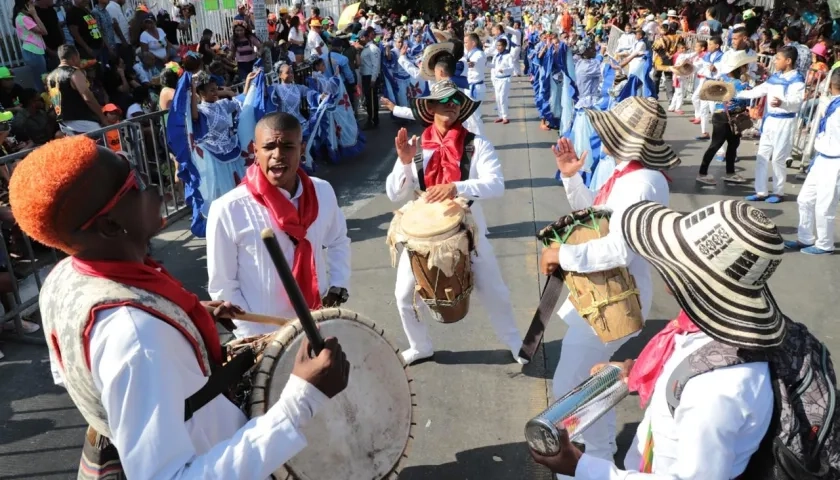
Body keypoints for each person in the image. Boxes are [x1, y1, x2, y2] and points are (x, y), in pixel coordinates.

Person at [9, 134, 350, 478]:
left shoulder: (63, 278)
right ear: (111, 225)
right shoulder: (138, 338)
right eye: (135, 184)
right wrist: (302, 399)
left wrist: (184, 315)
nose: (154, 191)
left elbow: (76, 369)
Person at [532, 199, 782, 478]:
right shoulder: (707, 332)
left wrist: (581, 467)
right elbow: (686, 365)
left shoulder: (715, 392)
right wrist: (634, 372)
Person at [539, 97, 678, 473]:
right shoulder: (628, 173)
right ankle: (597, 455)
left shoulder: (640, 181)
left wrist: (562, 255)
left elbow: (619, 247)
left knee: (571, 386)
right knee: (590, 382)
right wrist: (572, 177)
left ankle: (590, 463)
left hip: (617, 296)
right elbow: (599, 222)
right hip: (606, 292)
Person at [386, 80, 526, 366]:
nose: (450, 105)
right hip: (423, 233)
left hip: (467, 228)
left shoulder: (477, 144)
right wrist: (403, 163)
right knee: (403, 296)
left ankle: (515, 343)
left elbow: (495, 185)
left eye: (456, 101)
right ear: (431, 107)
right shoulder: (416, 147)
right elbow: (394, 194)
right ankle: (420, 345)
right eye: (444, 101)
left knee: (495, 291)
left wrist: (456, 187)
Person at [207, 113, 351, 338]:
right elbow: (223, 286)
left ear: (302, 148)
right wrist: (256, 338)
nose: (278, 155)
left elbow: (338, 241)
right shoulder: (227, 209)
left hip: (320, 323)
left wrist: (337, 284)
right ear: (255, 151)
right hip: (266, 336)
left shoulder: (322, 192)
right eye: (269, 147)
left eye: (287, 146)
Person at [737, 46, 805, 203]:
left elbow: (797, 102)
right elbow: (759, 90)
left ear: (788, 61)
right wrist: (736, 94)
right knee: (762, 156)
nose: (775, 61)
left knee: (778, 158)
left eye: (778, 59)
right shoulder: (775, 78)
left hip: (785, 121)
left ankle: (778, 192)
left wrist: (783, 102)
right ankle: (761, 191)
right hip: (769, 121)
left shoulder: (796, 80)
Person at [787, 68, 840, 255]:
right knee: (805, 199)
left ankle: (825, 244)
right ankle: (805, 237)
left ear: (832, 84)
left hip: (836, 161)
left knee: (825, 206)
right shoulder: (831, 103)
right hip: (822, 158)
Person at [696, 51, 753, 186]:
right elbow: (748, 99)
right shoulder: (741, 84)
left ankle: (730, 173)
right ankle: (703, 173)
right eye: (746, 66)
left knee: (730, 145)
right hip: (728, 117)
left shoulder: (722, 78)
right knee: (719, 145)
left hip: (722, 116)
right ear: (741, 68)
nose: (747, 68)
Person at [46, 45, 105, 135]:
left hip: (65, 125)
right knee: (102, 146)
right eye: (79, 57)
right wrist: (102, 117)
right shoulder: (74, 72)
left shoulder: (50, 77)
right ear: (74, 57)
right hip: (84, 123)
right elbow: (88, 97)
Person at [13, 0, 48, 92]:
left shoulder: (21, 17)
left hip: (32, 50)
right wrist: (35, 14)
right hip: (33, 51)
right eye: (31, 3)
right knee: (42, 79)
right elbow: (44, 31)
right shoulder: (24, 18)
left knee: (39, 78)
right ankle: (43, 101)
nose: (34, 5)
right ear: (25, 5)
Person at [359, 27, 380, 130]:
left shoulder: (372, 48)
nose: (359, 39)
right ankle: (371, 118)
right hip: (366, 76)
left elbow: (376, 65)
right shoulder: (366, 48)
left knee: (371, 100)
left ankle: (372, 120)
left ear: (366, 37)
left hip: (370, 77)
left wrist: (373, 79)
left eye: (361, 37)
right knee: (368, 100)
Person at [491, 38, 513, 124]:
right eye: (497, 45)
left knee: (503, 98)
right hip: (497, 79)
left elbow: (511, 68)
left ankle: (505, 116)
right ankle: (500, 115)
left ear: (504, 46)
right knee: (497, 98)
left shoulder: (508, 56)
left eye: (500, 45)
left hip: (505, 79)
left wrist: (504, 69)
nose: (498, 47)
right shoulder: (496, 55)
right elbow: (493, 65)